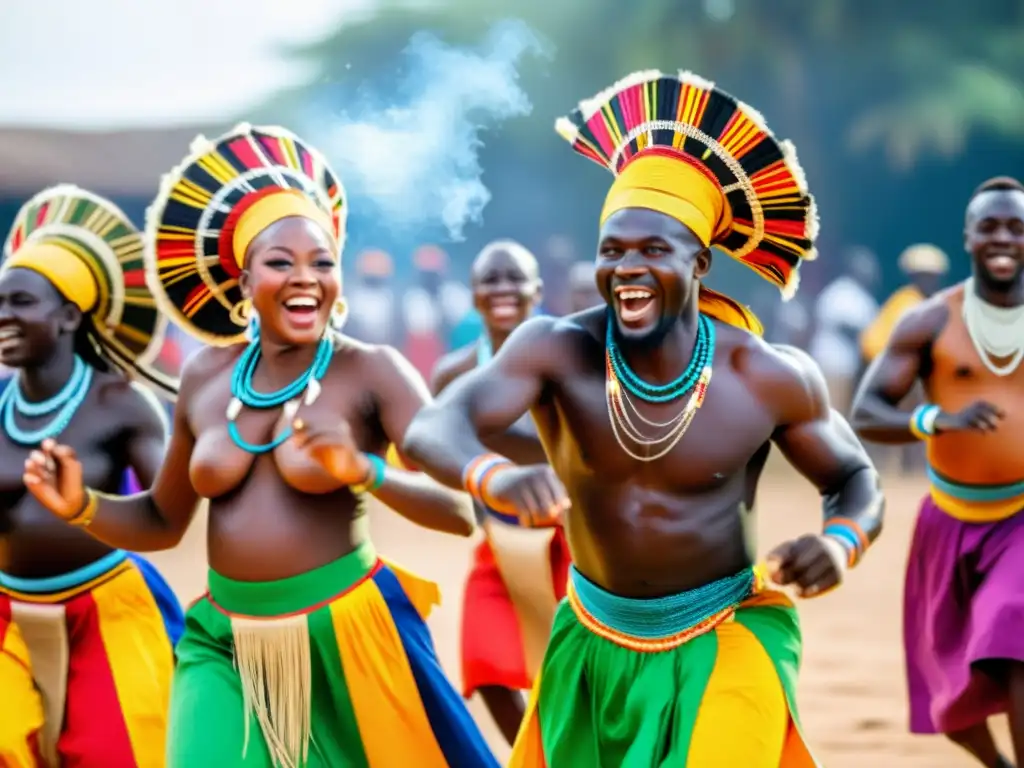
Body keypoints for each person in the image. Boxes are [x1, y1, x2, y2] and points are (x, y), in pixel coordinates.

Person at [403, 70, 884, 767]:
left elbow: (852, 475)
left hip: (728, 634)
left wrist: (841, 542)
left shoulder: (766, 374)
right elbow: (432, 426)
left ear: (701, 262)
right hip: (593, 637)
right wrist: (492, 477)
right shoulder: (557, 350)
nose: (627, 268)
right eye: (612, 250)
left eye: (654, 251)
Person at [22, 124, 497, 768]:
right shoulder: (206, 377)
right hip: (222, 644)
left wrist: (365, 471)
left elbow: (457, 512)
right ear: (244, 283)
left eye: (322, 262)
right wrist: (82, 505)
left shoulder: (372, 371)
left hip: (347, 637)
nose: (306, 278)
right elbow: (163, 521)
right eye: (281, 263)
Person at [0, 184, 183, 767]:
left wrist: (83, 506)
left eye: (20, 302)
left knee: (121, 753)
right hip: (5, 613)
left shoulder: (124, 405)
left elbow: (165, 517)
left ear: (69, 316)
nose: (3, 315)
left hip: (109, 608)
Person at [850, 176, 1024, 768]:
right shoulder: (927, 320)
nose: (1003, 238)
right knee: (948, 698)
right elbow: (866, 413)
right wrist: (937, 420)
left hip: (1021, 520)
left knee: (1012, 625)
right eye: (990, 227)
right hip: (947, 522)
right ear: (968, 238)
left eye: (1016, 228)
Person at [431, 239, 571, 745]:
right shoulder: (453, 372)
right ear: (472, 295)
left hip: (570, 539)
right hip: (500, 541)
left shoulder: (565, 357)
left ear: (537, 291)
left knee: (566, 667)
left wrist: (488, 440)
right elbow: (438, 451)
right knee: (486, 664)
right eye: (490, 279)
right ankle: (534, 758)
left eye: (514, 277)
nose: (502, 288)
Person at [858, 244, 949, 474]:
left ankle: (910, 467)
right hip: (887, 368)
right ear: (913, 277)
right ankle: (912, 469)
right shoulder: (910, 303)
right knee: (915, 414)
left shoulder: (919, 301)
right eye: (923, 276)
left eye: (932, 276)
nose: (928, 281)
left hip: (896, 366)